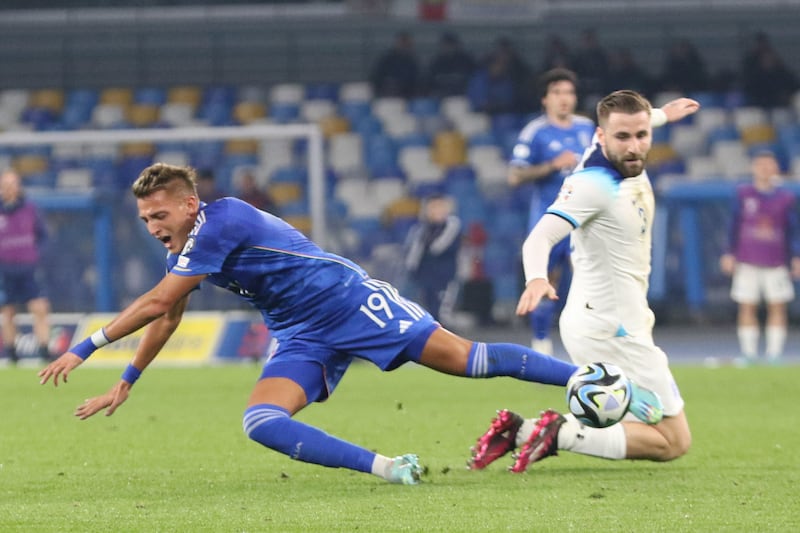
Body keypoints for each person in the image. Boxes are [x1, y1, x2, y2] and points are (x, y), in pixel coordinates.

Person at [38, 163, 663, 486]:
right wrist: (128, 379)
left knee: (466, 360)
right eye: (144, 219)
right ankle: (390, 467)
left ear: (187, 203)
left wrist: (86, 346)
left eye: (158, 214)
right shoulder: (183, 248)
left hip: (348, 301)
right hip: (300, 331)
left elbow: (152, 303)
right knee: (262, 423)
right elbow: (169, 314)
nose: (152, 227)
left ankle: (599, 380)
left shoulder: (221, 220)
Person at [469, 90, 700, 473]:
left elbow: (634, 122)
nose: (634, 146)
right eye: (622, 137)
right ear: (600, 136)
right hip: (612, 328)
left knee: (645, 426)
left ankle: (523, 431)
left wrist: (662, 115)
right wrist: (537, 278)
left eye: (642, 135)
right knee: (673, 441)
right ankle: (555, 432)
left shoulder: (622, 147)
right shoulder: (595, 184)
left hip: (609, 318)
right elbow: (539, 237)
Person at [509, 68, 699, 355]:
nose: (565, 99)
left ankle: (606, 343)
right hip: (554, 215)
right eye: (557, 93)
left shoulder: (586, 127)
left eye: (569, 93)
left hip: (591, 220)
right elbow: (514, 176)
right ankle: (542, 345)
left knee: (592, 281)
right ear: (545, 99)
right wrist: (551, 165)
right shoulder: (535, 133)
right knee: (550, 282)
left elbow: (623, 131)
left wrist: (662, 115)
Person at [719, 150, 800, 365]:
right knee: (747, 305)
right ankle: (749, 354)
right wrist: (729, 252)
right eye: (761, 165)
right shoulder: (743, 194)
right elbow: (733, 225)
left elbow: (792, 229)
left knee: (777, 305)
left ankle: (774, 354)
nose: (765, 169)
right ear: (754, 167)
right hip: (747, 260)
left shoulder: (786, 198)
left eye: (769, 165)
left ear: (776, 168)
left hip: (776, 261)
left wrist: (796, 256)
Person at [0, 170, 51, 364]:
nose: (9, 189)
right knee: (8, 312)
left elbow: (43, 236)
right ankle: (12, 354)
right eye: (5, 185)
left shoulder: (30, 209)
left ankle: (44, 351)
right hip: (5, 270)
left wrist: (36, 256)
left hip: (28, 268)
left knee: (39, 308)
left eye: (13, 184)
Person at [404, 193, 461, 321]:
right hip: (425, 276)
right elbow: (413, 253)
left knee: (442, 313)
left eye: (440, 207)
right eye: (433, 207)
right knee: (426, 311)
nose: (436, 211)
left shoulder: (452, 225)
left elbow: (437, 247)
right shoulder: (420, 229)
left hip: (445, 276)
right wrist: (412, 269)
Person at [425, 32, 476, 99]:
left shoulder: (466, 60)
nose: (448, 47)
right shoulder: (436, 62)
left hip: (462, 97)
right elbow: (430, 82)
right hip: (440, 98)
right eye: (446, 44)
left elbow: (475, 80)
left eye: (450, 44)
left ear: (456, 45)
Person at [370, 31, 420, 99]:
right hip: (388, 95)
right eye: (402, 43)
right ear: (397, 43)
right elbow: (376, 77)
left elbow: (417, 80)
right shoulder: (386, 60)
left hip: (407, 96)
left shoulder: (413, 61)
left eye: (406, 44)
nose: (404, 46)